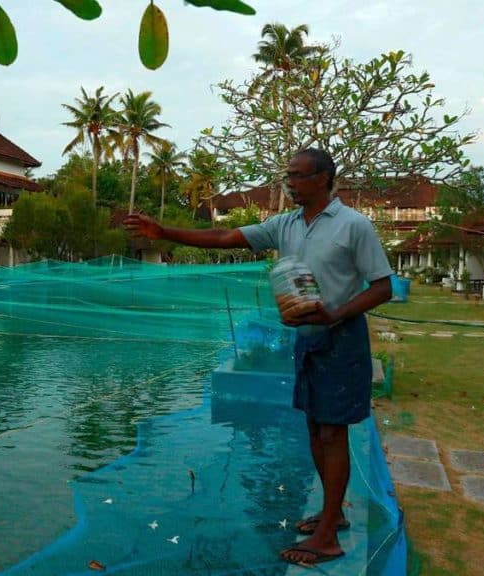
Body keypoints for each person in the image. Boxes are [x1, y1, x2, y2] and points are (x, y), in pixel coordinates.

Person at [123, 148, 392, 567]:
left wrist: (335, 314)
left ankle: (327, 539)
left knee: (332, 432)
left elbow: (382, 286)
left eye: (298, 176)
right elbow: (225, 238)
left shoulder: (353, 225)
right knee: (314, 425)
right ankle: (332, 513)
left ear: (323, 178)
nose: (289, 182)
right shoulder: (285, 224)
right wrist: (164, 232)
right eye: (287, 175)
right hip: (306, 336)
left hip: (341, 338)